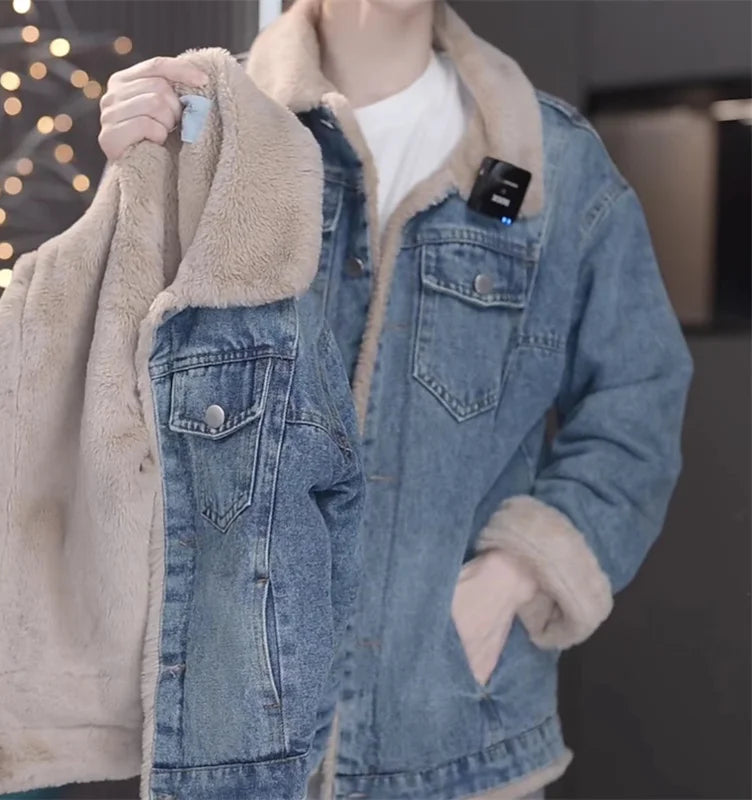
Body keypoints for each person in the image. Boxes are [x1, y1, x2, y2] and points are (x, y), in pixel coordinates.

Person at [97, 0, 694, 798]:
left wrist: (512, 577)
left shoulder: (550, 160)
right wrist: (129, 184)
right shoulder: (208, 129)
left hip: (456, 740)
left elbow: (639, 400)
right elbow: (118, 393)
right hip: (231, 740)